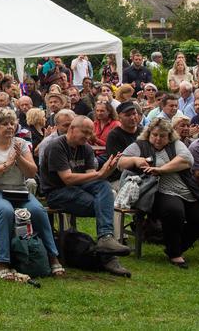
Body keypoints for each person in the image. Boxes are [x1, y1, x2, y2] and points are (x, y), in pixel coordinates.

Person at [0, 108, 62, 281]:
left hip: (18, 190)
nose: (9, 127)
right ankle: (2, 262)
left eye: (11, 123)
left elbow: (31, 173)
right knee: (4, 211)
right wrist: (5, 165)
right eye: (4, 124)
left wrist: (19, 159)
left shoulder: (21, 144)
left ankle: (52, 257)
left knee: (38, 210)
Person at [38, 116, 131, 276]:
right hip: (57, 192)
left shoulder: (86, 148)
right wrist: (99, 174)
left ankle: (105, 238)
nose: (87, 137)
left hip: (80, 189)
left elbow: (92, 178)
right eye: (85, 132)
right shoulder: (57, 146)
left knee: (104, 187)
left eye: (90, 133)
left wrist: (105, 174)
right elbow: (67, 179)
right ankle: (108, 254)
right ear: (72, 129)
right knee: (103, 205)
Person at [119, 117, 199, 268]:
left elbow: (187, 160)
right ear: (149, 134)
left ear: (169, 136)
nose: (158, 139)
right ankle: (175, 254)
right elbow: (121, 162)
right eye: (155, 135)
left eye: (162, 136)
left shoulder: (176, 144)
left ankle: (175, 246)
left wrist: (161, 169)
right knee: (174, 211)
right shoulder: (140, 145)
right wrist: (136, 160)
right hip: (156, 190)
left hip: (184, 188)